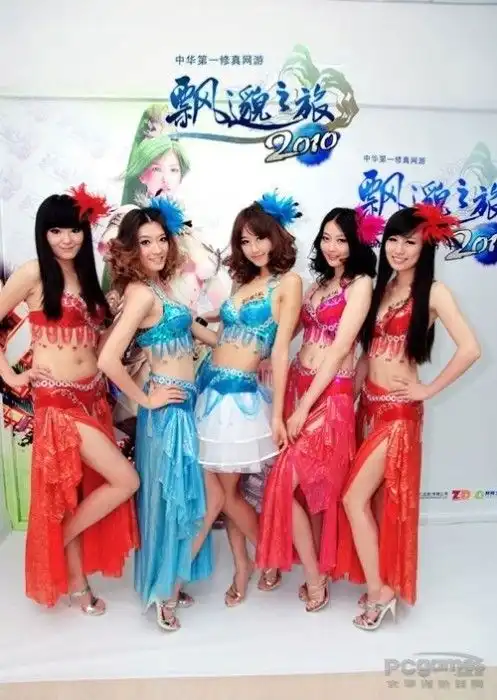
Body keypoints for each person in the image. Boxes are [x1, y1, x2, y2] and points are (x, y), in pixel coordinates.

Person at [334, 204, 481, 630]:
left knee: (353, 498)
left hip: (399, 414)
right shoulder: (381, 288)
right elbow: (367, 354)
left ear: (425, 247)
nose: (399, 249)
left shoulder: (434, 293)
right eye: (393, 240)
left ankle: (381, 593)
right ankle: (379, 579)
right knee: (374, 501)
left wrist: (427, 390)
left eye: (410, 242)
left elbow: (470, 349)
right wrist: (348, 395)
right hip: (369, 406)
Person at [0, 185, 139, 612]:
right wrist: (11, 374)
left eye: (74, 230)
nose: (66, 239)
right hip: (58, 402)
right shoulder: (33, 274)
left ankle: (78, 582)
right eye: (56, 230)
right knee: (125, 480)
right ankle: (58, 544)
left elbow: (96, 345)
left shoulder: (87, 276)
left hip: (93, 397)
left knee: (74, 494)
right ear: (43, 233)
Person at [98, 195, 217, 632]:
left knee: (180, 496)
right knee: (171, 499)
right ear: (131, 248)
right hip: (165, 413)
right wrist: (147, 400)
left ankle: (169, 579)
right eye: (145, 242)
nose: (156, 249)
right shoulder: (139, 293)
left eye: (161, 239)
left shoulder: (162, 286)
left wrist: (242, 335)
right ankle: (163, 593)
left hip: (184, 405)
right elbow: (108, 359)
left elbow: (194, 329)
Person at [256, 206, 381, 612]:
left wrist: (302, 409)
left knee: (285, 481)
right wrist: (263, 354)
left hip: (330, 398)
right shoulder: (317, 284)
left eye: (341, 240)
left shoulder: (361, 285)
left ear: (356, 244)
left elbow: (341, 348)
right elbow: (290, 331)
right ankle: (313, 570)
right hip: (300, 385)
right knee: (303, 488)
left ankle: (315, 577)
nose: (332, 246)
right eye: (326, 238)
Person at [194, 192, 303, 605]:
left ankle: (268, 557)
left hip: (241, 399)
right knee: (227, 491)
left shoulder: (288, 283)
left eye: (260, 238)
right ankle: (245, 563)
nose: (254, 247)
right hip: (210, 390)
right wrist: (190, 324)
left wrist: (277, 415)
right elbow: (223, 340)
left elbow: (280, 350)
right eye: (245, 241)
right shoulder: (242, 283)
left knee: (228, 493)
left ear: (275, 237)